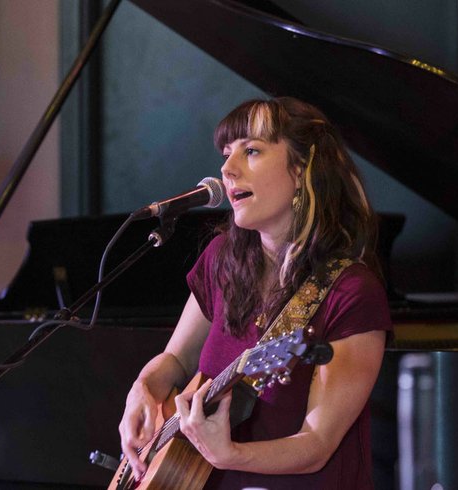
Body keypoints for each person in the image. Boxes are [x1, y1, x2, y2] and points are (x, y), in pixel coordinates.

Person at [117, 97, 391, 489]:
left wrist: (232, 455)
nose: (227, 169)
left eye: (251, 151)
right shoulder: (221, 260)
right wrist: (142, 390)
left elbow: (317, 443)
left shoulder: (351, 293)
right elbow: (177, 359)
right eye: (227, 155)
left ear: (301, 170)